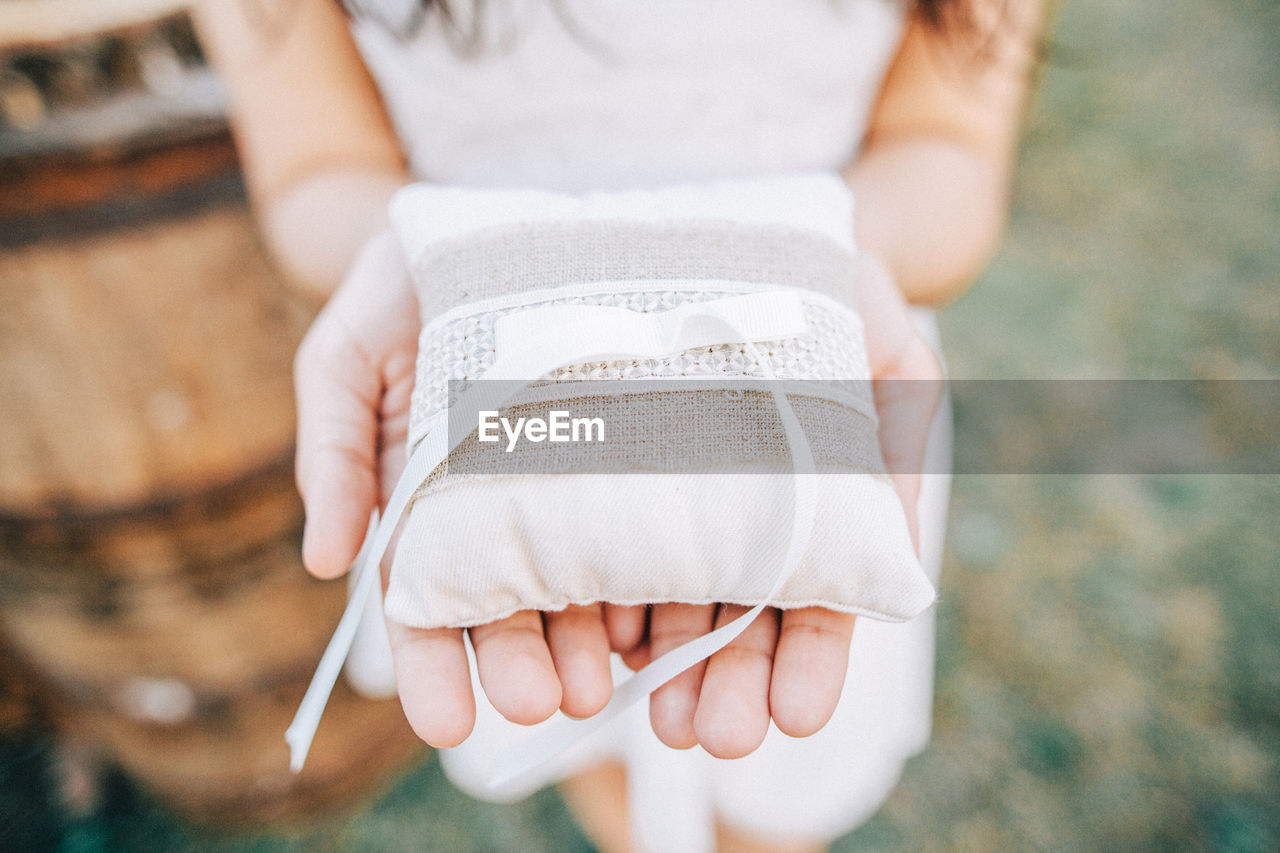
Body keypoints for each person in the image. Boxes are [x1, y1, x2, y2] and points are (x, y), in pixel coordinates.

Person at [195, 1, 1044, 850]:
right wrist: (423, 257)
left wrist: (826, 255)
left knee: (771, 795)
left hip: (809, 390)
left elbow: (948, 143)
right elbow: (317, 165)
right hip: (485, 395)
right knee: (581, 737)